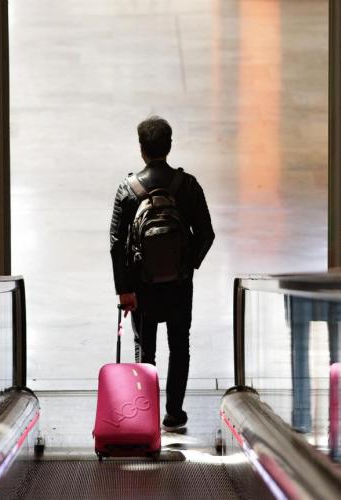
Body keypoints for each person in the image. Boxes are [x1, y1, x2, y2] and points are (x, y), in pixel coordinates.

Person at [109, 116, 215, 432]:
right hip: (179, 285)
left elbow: (116, 243)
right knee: (179, 345)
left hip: (141, 286)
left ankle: (146, 415)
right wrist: (186, 266)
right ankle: (174, 413)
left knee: (146, 349)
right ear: (169, 146)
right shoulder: (188, 186)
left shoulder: (128, 189)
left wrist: (124, 289)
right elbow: (206, 234)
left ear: (141, 148)